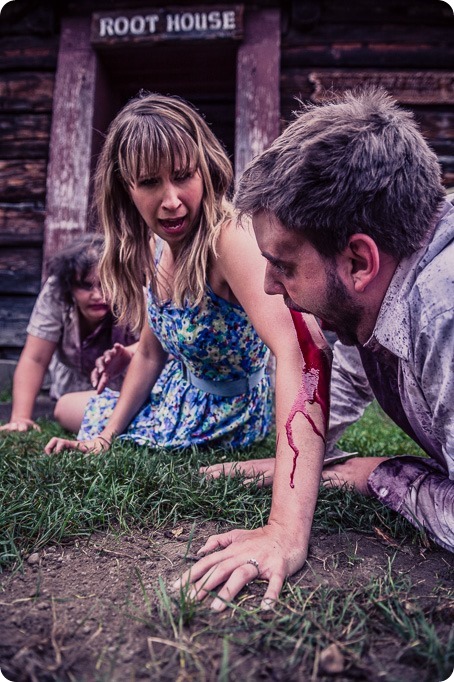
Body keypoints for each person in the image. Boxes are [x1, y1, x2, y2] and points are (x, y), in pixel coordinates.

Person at [44, 91, 332, 610]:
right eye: (151, 183)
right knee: (68, 408)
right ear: (125, 189)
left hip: (226, 409)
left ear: (206, 167)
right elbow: (154, 355)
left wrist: (285, 530)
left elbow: (302, 348)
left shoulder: (228, 239)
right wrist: (108, 437)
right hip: (177, 390)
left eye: (183, 175)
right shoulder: (158, 246)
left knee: (70, 411)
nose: (171, 199)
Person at [197, 87, 453, 554]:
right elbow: (350, 382)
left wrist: (378, 474)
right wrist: (295, 463)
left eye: (285, 265)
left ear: (359, 262)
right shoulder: (372, 300)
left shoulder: (444, 309)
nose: (269, 286)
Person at [0, 235, 137, 433]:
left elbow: (154, 350)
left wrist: (128, 353)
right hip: (72, 393)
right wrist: (20, 417)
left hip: (130, 390)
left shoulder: (134, 295)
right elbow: (35, 358)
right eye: (86, 285)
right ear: (69, 285)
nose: (98, 295)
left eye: (105, 284)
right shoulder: (57, 293)